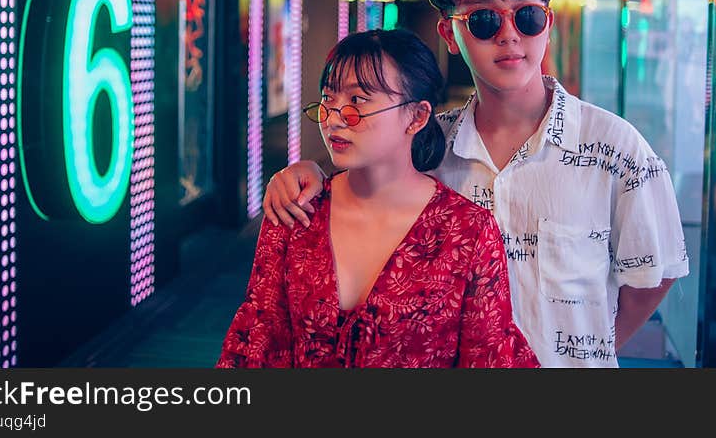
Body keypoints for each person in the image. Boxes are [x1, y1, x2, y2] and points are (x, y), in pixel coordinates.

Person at [262, 0, 690, 368]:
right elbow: (363, 177)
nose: (509, 36)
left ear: (548, 23)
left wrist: (589, 349)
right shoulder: (427, 146)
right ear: (450, 33)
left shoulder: (615, 149)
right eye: (485, 19)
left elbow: (654, 273)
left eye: (526, 17)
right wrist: (310, 173)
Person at [217, 29, 539, 368]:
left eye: (357, 101)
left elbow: (487, 356)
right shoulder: (297, 212)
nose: (335, 118)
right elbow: (257, 342)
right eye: (328, 99)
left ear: (417, 116)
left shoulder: (466, 232)